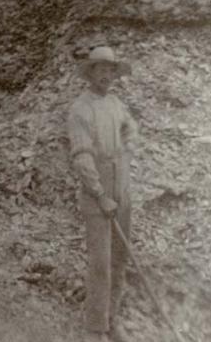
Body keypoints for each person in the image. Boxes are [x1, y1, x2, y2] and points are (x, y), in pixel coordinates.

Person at [67, 46, 138, 342]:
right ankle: (96, 329)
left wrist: (125, 146)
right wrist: (100, 193)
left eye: (111, 71)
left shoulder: (116, 103)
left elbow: (131, 127)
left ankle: (111, 318)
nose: (106, 76)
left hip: (120, 183)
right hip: (96, 188)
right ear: (90, 73)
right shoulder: (80, 109)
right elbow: (82, 158)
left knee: (119, 257)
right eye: (101, 70)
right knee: (100, 261)